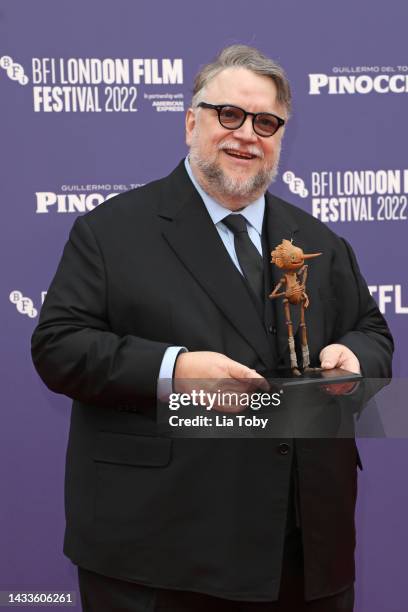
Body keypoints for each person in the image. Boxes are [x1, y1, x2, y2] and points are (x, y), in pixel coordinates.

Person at [31, 45, 393, 611]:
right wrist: (173, 371)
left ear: (281, 136)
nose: (247, 134)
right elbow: (58, 347)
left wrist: (354, 354)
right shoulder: (111, 232)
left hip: (305, 552)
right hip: (160, 553)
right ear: (190, 121)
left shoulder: (316, 239)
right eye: (229, 114)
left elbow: (372, 330)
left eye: (266, 122)